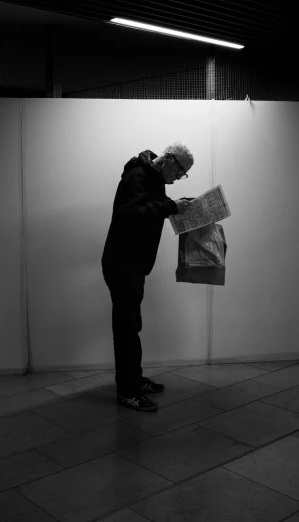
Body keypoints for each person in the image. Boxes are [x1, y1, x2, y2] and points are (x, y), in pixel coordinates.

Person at [101, 142, 194, 412]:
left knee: (133, 325)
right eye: (179, 173)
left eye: (182, 176)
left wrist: (177, 205)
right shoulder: (136, 176)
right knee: (126, 329)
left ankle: (135, 379)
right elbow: (127, 215)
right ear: (168, 160)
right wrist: (170, 208)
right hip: (122, 264)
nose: (177, 179)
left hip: (134, 264)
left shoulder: (153, 177)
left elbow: (150, 205)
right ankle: (127, 392)